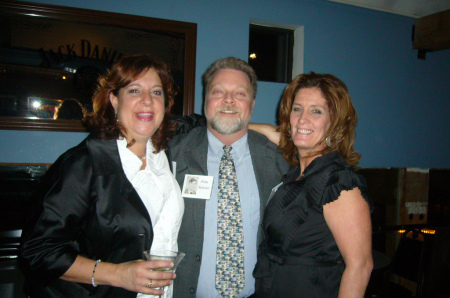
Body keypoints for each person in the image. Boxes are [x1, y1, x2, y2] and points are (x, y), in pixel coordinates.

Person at [20, 54, 184, 298]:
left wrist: (259, 130)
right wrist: (117, 274)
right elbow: (37, 251)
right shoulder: (84, 163)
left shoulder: (163, 153)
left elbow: (212, 122)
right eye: (134, 90)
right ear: (114, 100)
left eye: (157, 92)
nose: (147, 101)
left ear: (166, 104)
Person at [167, 57, 291, 297]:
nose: (228, 100)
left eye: (240, 94)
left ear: (252, 105)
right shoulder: (172, 154)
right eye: (218, 91)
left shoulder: (279, 160)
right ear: (205, 100)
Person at [252, 72, 374, 297]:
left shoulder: (339, 184)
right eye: (297, 109)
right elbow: (273, 131)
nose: (302, 119)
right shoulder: (299, 172)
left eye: (316, 111)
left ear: (335, 122)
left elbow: (360, 267)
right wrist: (223, 125)